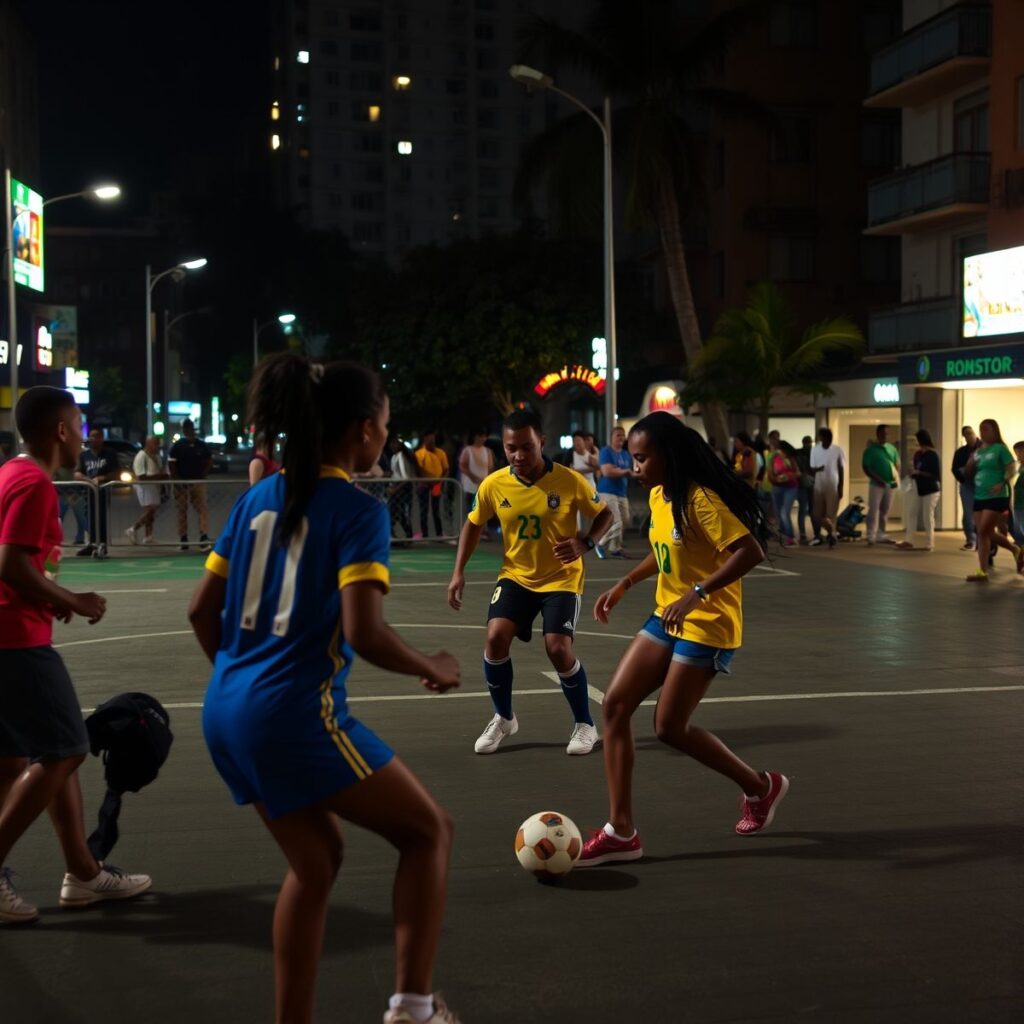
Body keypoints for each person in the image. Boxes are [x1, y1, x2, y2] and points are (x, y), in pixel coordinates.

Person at [187, 355, 461, 1024]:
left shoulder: (257, 497)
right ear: (365, 431)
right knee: (429, 833)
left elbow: (201, 611)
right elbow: (363, 632)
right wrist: (431, 663)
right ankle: (414, 1007)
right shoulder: (358, 511)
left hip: (224, 710)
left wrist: (243, 676)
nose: (388, 439)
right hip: (291, 715)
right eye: (387, 427)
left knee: (316, 863)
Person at [578, 412, 786, 866]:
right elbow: (663, 551)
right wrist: (624, 584)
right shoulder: (658, 495)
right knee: (614, 706)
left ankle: (760, 786)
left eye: (641, 458)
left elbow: (749, 551)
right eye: (632, 458)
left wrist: (696, 594)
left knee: (669, 727)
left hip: (707, 622)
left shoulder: (702, 501)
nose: (635, 467)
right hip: (668, 615)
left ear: (667, 456)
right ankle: (622, 831)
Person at [0, 386, 151, 926]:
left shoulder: (10, 474)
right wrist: (73, 600)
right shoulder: (35, 483)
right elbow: (11, 565)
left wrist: (47, 596)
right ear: (60, 430)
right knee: (65, 749)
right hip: (15, 643)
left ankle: (82, 873)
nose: (85, 435)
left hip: (14, 630)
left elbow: (20, 569)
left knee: (23, 760)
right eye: (80, 424)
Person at [447, 408, 613, 756]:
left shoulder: (568, 480)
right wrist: (458, 571)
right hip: (516, 576)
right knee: (495, 638)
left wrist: (586, 542)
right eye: (511, 448)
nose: (519, 455)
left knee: (557, 648)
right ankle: (504, 717)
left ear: (542, 442)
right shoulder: (495, 484)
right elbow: (474, 525)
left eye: (527, 447)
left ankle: (585, 724)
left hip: (561, 580)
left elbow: (605, 514)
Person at [963, 418, 1023, 583]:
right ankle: (983, 570)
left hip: (996, 496)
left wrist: (1002, 482)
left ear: (994, 431)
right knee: (983, 533)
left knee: (983, 531)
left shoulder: (1000, 449)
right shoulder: (979, 451)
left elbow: (1012, 467)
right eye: (981, 429)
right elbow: (968, 473)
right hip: (979, 495)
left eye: (987, 429)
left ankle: (1014, 549)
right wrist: (970, 462)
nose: (983, 432)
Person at [169, 419, 213, 552]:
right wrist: (179, 481)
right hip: (187, 482)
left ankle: (190, 538)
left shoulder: (193, 445)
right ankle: (196, 538)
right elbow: (172, 465)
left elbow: (172, 465)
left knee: (190, 510)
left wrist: (202, 474)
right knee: (194, 510)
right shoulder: (181, 445)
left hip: (192, 481)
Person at [74, 427, 119, 557]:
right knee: (90, 517)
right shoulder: (84, 455)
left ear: (101, 438)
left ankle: (102, 544)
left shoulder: (109, 453)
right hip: (88, 491)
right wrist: (86, 479)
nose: (93, 439)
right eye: (91, 436)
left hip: (103, 491)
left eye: (96, 436)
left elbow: (116, 472)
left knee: (101, 517)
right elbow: (77, 472)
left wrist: (102, 478)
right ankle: (92, 544)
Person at [896, 430, 941, 551]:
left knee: (927, 515)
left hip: (930, 489)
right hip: (917, 487)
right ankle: (908, 540)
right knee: (912, 513)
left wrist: (919, 472)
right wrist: (913, 474)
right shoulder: (917, 455)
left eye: (916, 441)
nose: (915, 443)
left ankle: (930, 542)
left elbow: (936, 475)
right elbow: (916, 469)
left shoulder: (932, 455)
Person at [596, 426, 635, 559]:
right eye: (618, 435)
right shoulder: (605, 451)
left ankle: (615, 548)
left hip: (622, 492)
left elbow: (631, 471)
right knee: (617, 522)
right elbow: (607, 472)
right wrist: (623, 471)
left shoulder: (626, 454)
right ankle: (600, 544)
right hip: (607, 491)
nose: (621, 438)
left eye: (623, 435)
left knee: (626, 521)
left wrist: (619, 470)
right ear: (611, 437)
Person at [127, 435, 169, 545]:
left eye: (158, 444)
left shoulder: (157, 456)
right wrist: (160, 477)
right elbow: (141, 476)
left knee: (151, 512)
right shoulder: (141, 456)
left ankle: (148, 536)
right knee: (150, 510)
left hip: (154, 486)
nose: (157, 447)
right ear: (148, 444)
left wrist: (161, 484)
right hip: (144, 486)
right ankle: (133, 529)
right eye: (155, 444)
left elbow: (158, 471)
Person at [862, 425, 900, 545]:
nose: (885, 436)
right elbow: (866, 467)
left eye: (887, 433)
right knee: (873, 510)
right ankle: (870, 535)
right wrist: (878, 479)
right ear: (878, 434)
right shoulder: (871, 450)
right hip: (876, 485)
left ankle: (881, 534)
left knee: (885, 510)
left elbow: (896, 464)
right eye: (883, 433)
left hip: (889, 484)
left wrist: (895, 478)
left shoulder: (892, 448)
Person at [809, 427, 845, 548]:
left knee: (831, 514)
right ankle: (832, 532)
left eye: (830, 438)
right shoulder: (815, 450)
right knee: (817, 514)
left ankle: (832, 537)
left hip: (833, 485)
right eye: (825, 438)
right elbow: (812, 467)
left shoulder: (837, 450)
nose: (828, 441)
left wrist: (841, 486)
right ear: (821, 438)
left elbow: (841, 468)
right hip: (819, 486)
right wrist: (818, 469)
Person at [459, 430, 494, 539]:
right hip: (470, 486)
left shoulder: (487, 451)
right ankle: (470, 531)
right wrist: (473, 477)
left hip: (483, 485)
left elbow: (490, 467)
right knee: (471, 509)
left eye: (484, 436)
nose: (482, 439)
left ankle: (483, 531)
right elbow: (463, 466)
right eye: (480, 436)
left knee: (483, 508)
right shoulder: (467, 450)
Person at [414, 431, 449, 540]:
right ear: (425, 440)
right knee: (423, 509)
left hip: (437, 485)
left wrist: (440, 481)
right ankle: (425, 533)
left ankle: (439, 533)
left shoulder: (441, 453)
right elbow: (418, 470)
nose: (432, 442)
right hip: (423, 485)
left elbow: (446, 469)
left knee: (436, 508)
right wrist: (425, 481)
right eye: (429, 440)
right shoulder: (419, 454)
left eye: (433, 440)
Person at [951, 426, 981, 550]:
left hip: (982, 484)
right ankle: (971, 540)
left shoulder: (984, 448)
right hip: (967, 485)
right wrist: (963, 479)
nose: (968, 436)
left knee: (982, 514)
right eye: (966, 434)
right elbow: (954, 469)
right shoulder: (961, 452)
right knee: (968, 513)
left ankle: (982, 540)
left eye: (970, 433)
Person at [767, 440, 801, 546]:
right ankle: (783, 535)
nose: (778, 451)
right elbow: (770, 472)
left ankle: (790, 536)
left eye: (780, 449)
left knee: (784, 512)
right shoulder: (773, 457)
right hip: (777, 487)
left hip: (790, 487)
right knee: (778, 513)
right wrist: (776, 480)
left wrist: (788, 476)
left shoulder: (790, 458)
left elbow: (797, 472)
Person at [388, 435, 418, 541]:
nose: (393, 446)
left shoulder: (401, 456)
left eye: (395, 443)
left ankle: (407, 534)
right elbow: (395, 474)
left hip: (403, 487)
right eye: (392, 444)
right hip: (396, 486)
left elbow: (406, 477)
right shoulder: (394, 457)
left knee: (400, 512)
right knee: (395, 511)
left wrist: (395, 489)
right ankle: (397, 534)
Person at [794, 435, 815, 544]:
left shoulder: (798, 454)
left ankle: (803, 534)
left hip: (801, 484)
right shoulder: (813, 453)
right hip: (810, 484)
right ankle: (815, 533)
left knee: (802, 510)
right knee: (811, 509)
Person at [1011, 441, 1024, 555]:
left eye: (1020, 452)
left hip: (1021, 504)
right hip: (1018, 502)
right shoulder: (1019, 466)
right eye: (1016, 452)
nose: (1017, 455)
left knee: (1020, 533)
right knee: (1018, 532)